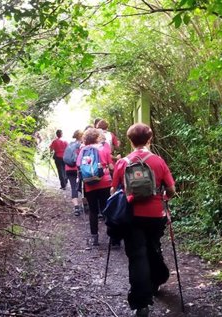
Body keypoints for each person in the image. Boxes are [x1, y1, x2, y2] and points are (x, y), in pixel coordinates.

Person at [110, 123, 176, 317]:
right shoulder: (158, 161)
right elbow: (171, 190)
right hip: (156, 216)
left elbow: (113, 191)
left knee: (137, 256)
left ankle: (141, 304)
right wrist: (163, 198)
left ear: (130, 141)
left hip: (132, 216)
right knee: (153, 248)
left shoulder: (123, 162)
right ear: (150, 139)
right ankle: (155, 282)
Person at [76, 128, 114, 246]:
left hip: (89, 184)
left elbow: (78, 165)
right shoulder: (103, 149)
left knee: (93, 210)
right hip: (105, 182)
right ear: (97, 138)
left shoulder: (83, 150)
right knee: (107, 209)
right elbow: (112, 167)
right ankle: (112, 238)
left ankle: (94, 238)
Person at [65, 130, 84, 216]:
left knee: (73, 187)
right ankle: (86, 205)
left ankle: (76, 207)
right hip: (78, 168)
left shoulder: (70, 144)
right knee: (83, 186)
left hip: (68, 168)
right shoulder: (81, 145)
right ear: (81, 136)